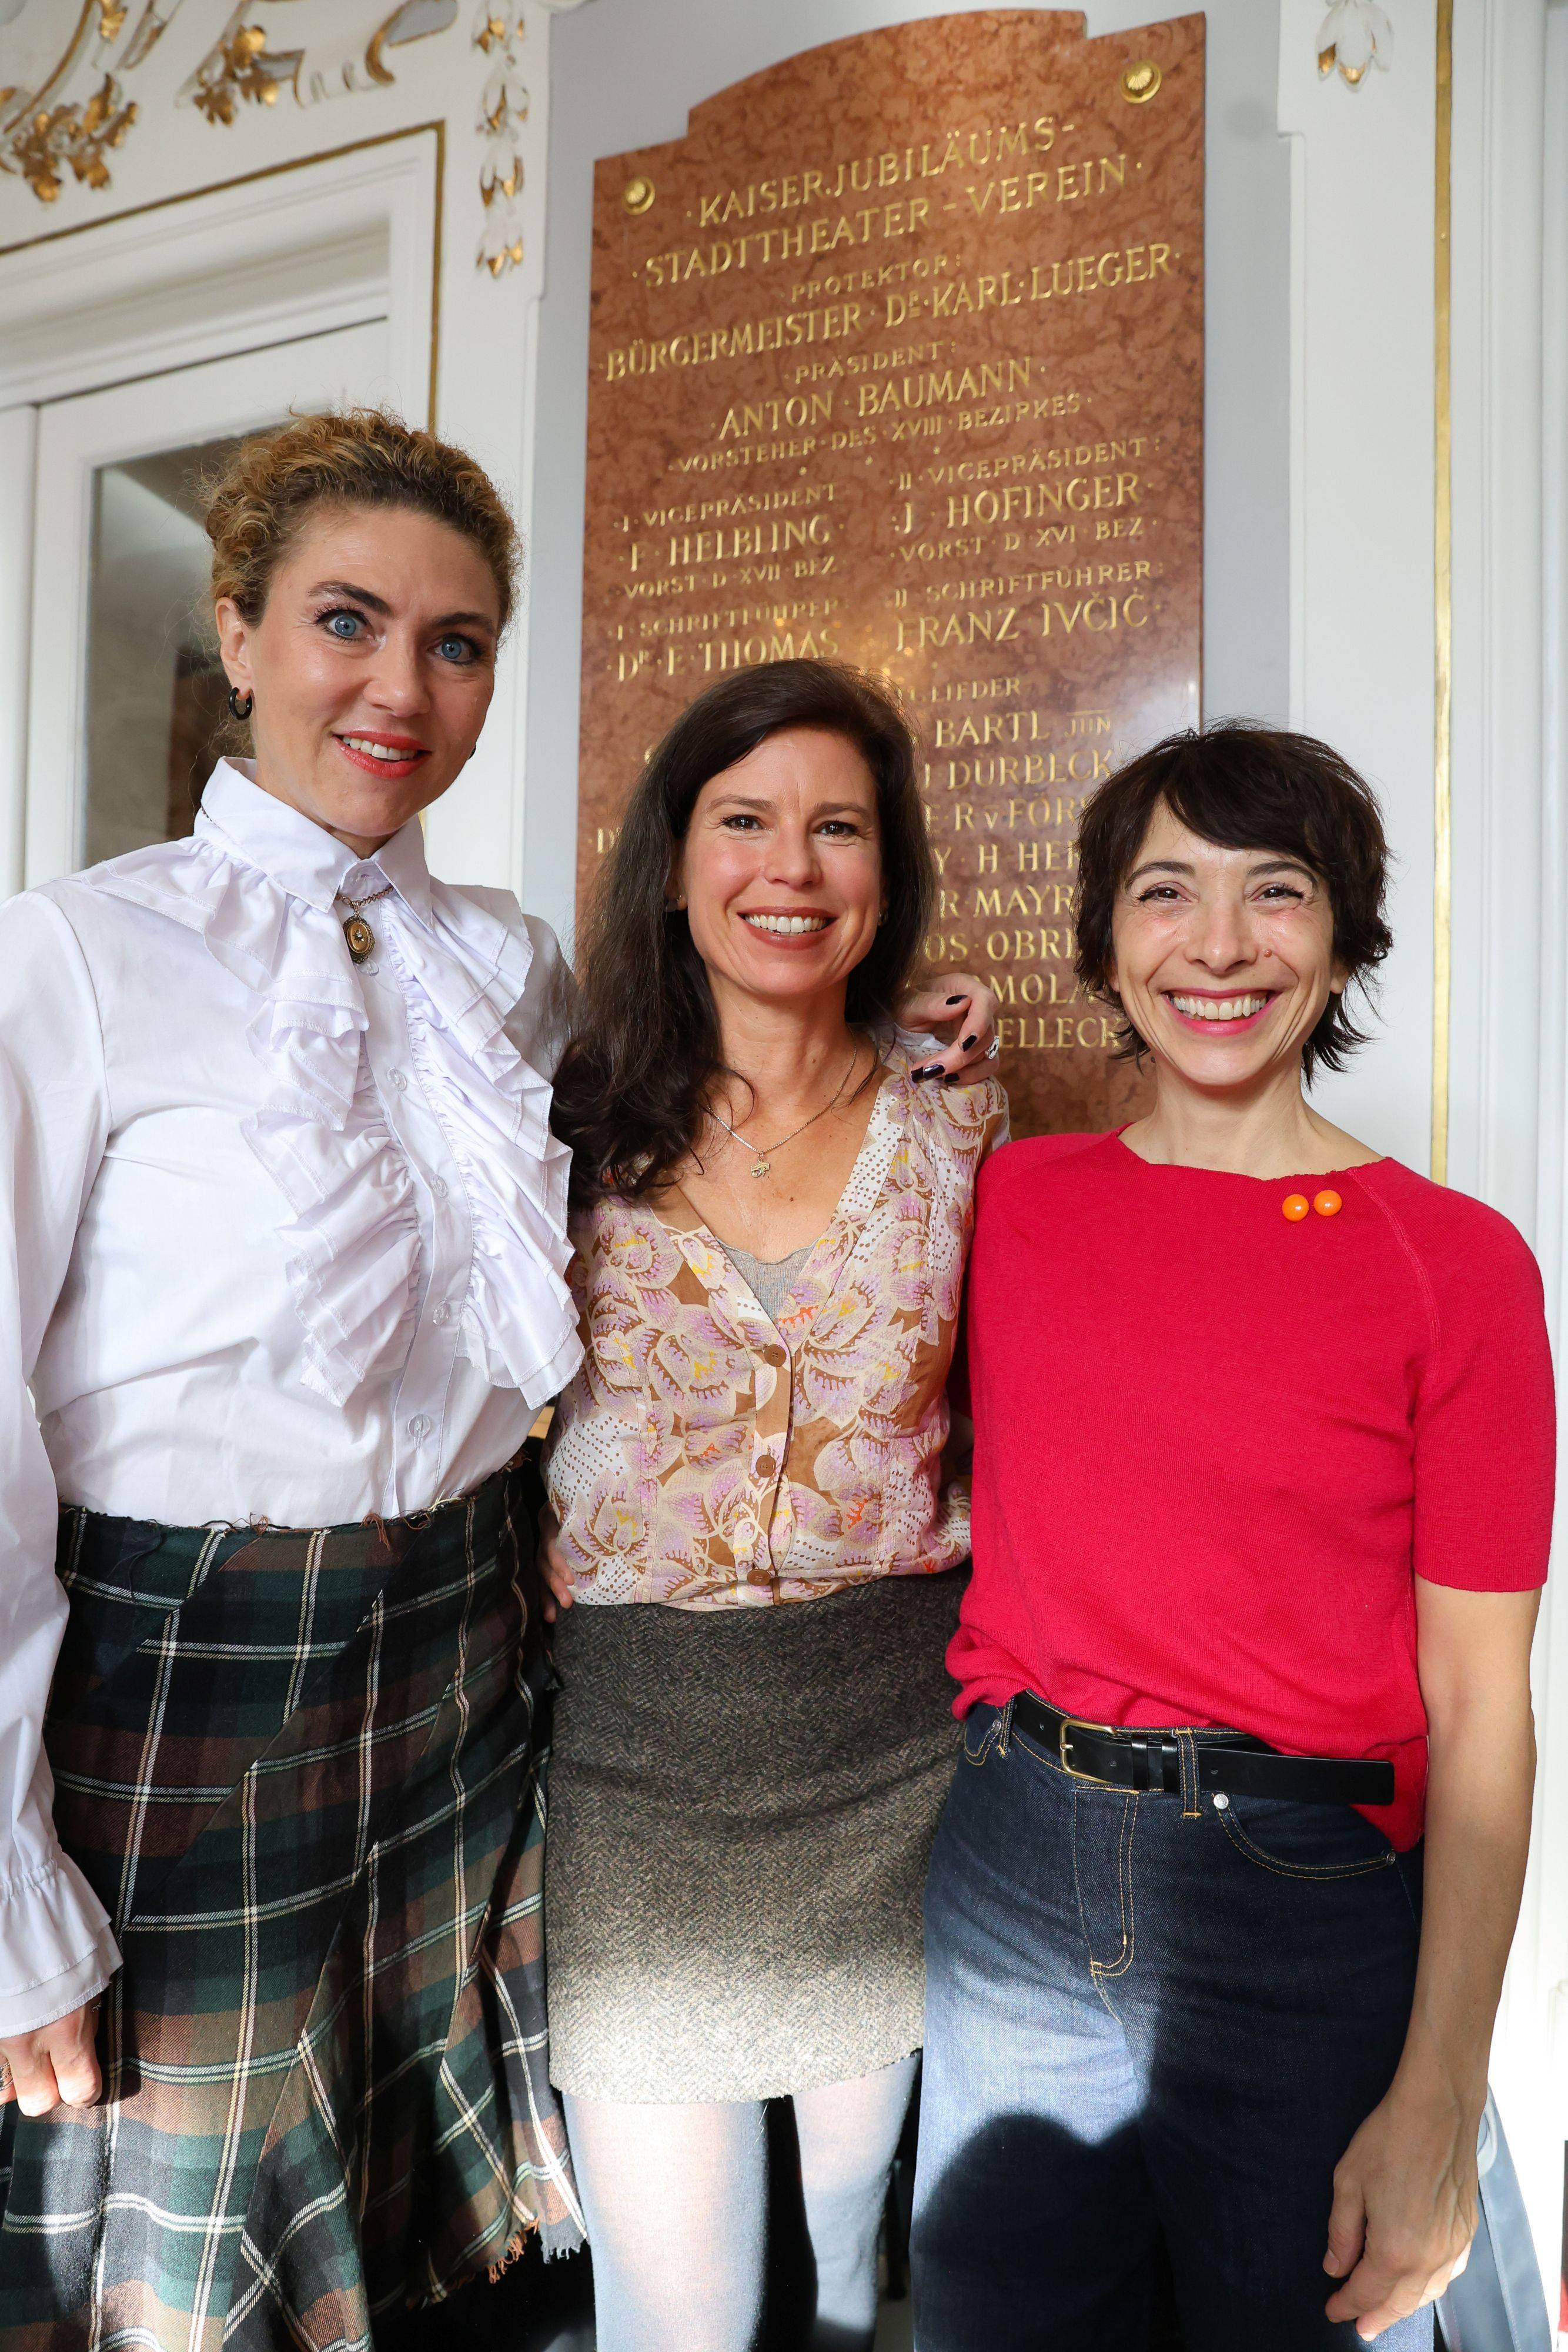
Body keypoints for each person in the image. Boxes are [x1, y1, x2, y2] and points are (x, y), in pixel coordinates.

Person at [0, 410, 587, 2346]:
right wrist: (6, 1905)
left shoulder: (509, 970)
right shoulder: (76, 955)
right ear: (238, 632)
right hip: (187, 1678)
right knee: (178, 2262)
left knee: (420, 2248)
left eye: (458, 640)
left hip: (463, 1653)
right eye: (347, 620)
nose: (400, 687)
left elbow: (690, 1143)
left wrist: (898, 1026)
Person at [911, 723, 1553, 2351]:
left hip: (1300, 1901)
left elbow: (1483, 1709)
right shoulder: (1018, 1201)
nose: (1216, 945)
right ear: (1105, 946)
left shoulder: (1455, 1264)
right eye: (1164, 893)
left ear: (1339, 941)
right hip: (1010, 1865)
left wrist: (1438, 2095)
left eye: (1274, 893)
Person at [539, 659, 1008, 2352]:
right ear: (674, 862)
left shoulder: (964, 1123)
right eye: (744, 822)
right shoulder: (557, 1121)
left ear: (885, 878)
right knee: (680, 2316)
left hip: (894, 1757)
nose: (790, 869)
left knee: (843, 2260)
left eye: (837, 829)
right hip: (639, 1768)